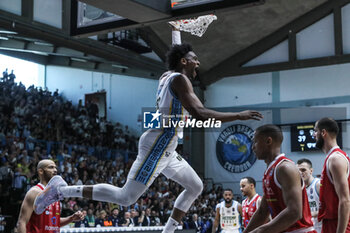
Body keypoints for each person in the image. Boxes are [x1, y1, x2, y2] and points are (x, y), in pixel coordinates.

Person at [34, 26, 262, 233]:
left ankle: (168, 231)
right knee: (126, 197)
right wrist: (238, 115)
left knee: (195, 186)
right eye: (194, 59)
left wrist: (175, 29)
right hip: (159, 143)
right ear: (184, 62)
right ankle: (61, 190)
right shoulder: (181, 81)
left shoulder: (167, 75)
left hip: (167, 145)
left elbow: (175, 53)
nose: (198, 63)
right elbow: (200, 113)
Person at [244, 124, 316, 233]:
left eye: (255, 142)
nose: (253, 147)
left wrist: (259, 231)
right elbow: (262, 212)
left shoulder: (285, 168)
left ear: (268, 141)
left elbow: (294, 212)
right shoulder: (269, 171)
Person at [16, 159, 83, 233]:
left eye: (55, 167)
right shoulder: (34, 192)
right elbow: (22, 222)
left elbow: (53, 223)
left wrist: (71, 218)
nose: (55, 170)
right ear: (41, 171)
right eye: (51, 167)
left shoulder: (56, 194)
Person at [313, 118, 350, 233]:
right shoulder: (331, 158)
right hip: (331, 222)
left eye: (315, 131)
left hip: (338, 224)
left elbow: (345, 200)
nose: (314, 135)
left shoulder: (335, 159)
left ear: (323, 133)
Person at [297, 158, 321, 233]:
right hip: (308, 229)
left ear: (311, 171)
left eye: (303, 170)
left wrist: (310, 214)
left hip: (321, 228)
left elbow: (329, 208)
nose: (300, 173)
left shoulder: (318, 185)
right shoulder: (298, 188)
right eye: (298, 171)